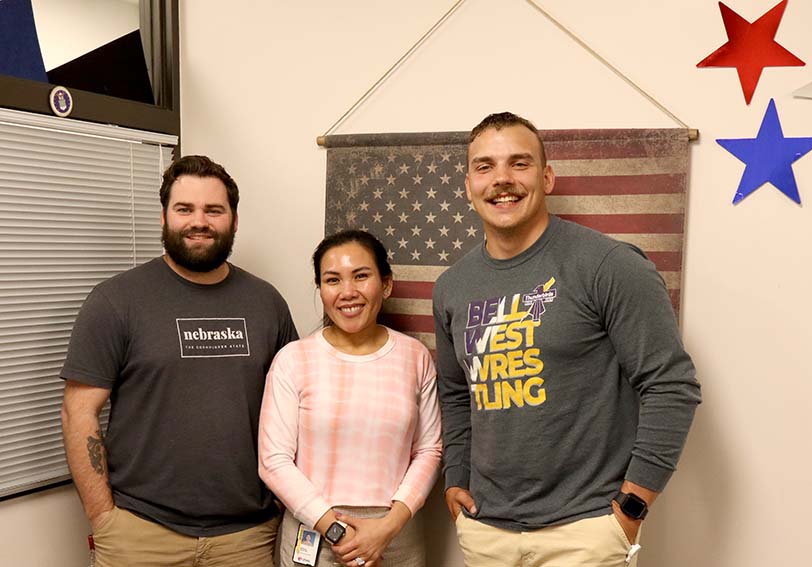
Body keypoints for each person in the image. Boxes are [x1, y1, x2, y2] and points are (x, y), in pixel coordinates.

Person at [432, 112, 702, 567]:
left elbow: (671, 386)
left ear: (547, 176)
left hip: (585, 532)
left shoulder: (609, 264)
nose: (501, 179)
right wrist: (456, 475)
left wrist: (632, 507)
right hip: (486, 531)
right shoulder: (452, 286)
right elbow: (457, 394)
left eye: (519, 163)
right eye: (485, 167)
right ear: (468, 186)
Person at [60, 155, 298, 566]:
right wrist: (103, 516)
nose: (199, 221)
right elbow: (78, 412)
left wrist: (282, 501)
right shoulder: (116, 301)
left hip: (247, 536)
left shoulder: (266, 303)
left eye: (214, 210)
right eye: (184, 209)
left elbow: (296, 408)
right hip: (141, 533)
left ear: (234, 220)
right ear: (164, 217)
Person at [259, 230, 442, 567]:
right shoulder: (293, 359)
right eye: (332, 280)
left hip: (395, 537)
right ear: (321, 289)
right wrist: (336, 532)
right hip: (315, 535)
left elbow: (429, 450)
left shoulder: (415, 357)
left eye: (361, 276)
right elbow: (274, 460)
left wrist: (387, 528)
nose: (348, 292)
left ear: (385, 284)